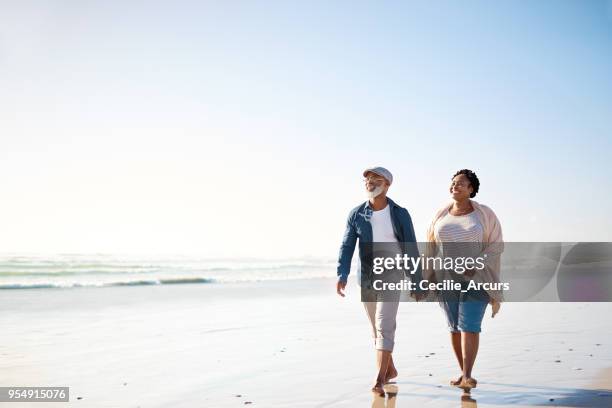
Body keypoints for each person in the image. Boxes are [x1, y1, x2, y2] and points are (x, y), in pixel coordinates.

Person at [336, 166, 419, 396]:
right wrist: (342, 273)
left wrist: (416, 280)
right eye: (367, 179)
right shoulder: (356, 214)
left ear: (387, 184)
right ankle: (390, 369)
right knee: (376, 330)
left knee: (384, 325)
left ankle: (379, 380)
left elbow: (411, 248)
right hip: (367, 278)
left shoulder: (400, 213)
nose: (369, 182)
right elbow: (346, 245)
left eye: (375, 178)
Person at [425, 169, 503, 390]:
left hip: (476, 278)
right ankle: (462, 372)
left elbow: (496, 245)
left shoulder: (484, 214)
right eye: (453, 183)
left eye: (461, 184)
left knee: (469, 325)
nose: (455, 186)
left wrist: (475, 264)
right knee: (454, 327)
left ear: (471, 189)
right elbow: (430, 246)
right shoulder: (441, 214)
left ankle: (468, 375)